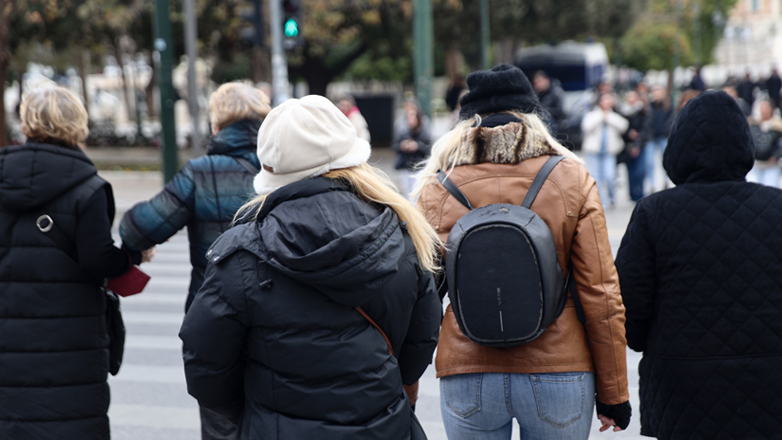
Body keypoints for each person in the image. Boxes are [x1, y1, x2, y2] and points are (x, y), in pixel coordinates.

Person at [179, 95, 441, 440]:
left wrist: (253, 412)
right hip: (382, 425)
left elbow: (204, 364)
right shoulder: (402, 233)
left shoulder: (240, 253)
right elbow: (420, 337)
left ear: (271, 166)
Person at [414, 64, 631, 440]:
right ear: (533, 116)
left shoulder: (436, 187)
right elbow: (601, 294)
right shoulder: (570, 177)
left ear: (465, 123)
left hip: (468, 371)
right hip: (560, 368)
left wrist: (406, 385)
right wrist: (613, 392)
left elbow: (418, 297)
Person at [615, 90, 782, 440]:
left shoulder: (653, 212)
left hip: (683, 387)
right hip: (770, 382)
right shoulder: (776, 206)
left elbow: (627, 306)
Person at [120, 81, 270, 440]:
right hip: (280, 318)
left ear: (217, 126)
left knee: (220, 422)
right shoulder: (280, 168)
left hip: (215, 318)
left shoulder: (201, 173)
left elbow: (136, 230)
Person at [0, 86, 151, 439]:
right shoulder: (89, 188)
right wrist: (133, 255)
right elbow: (99, 260)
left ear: (26, 122)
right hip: (69, 338)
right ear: (77, 124)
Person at [581, 92, 629, 208]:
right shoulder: (592, 114)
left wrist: (608, 117)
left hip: (609, 151)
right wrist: (601, 116)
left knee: (610, 176)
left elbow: (624, 126)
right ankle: (602, 201)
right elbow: (586, 127)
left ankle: (612, 197)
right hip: (593, 151)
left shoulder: (614, 115)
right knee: (596, 176)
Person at [392, 104, 432, 198]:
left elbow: (430, 149)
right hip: (405, 167)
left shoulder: (424, 132)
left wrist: (417, 146)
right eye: (409, 117)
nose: (411, 119)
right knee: (407, 194)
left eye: (413, 116)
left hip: (419, 167)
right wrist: (402, 146)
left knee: (418, 193)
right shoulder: (403, 131)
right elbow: (394, 146)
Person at [641, 85, 674, 194]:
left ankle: (666, 180)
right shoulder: (649, 106)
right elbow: (646, 122)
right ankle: (652, 184)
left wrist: (666, 131)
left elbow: (671, 120)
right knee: (649, 162)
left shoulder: (668, 106)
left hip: (663, 136)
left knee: (665, 160)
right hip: (651, 137)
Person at [618, 90, 647, 202]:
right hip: (627, 145)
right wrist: (628, 132)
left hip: (640, 144)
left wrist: (637, 145)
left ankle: (640, 192)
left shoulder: (643, 110)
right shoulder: (623, 111)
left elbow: (646, 128)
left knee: (640, 170)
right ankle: (632, 193)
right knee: (630, 170)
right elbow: (621, 129)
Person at [747, 99, 782, 187]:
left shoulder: (778, 126)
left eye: (766, 108)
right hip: (756, 164)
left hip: (771, 165)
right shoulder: (753, 125)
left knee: (770, 188)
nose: (764, 110)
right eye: (762, 108)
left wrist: (776, 155)